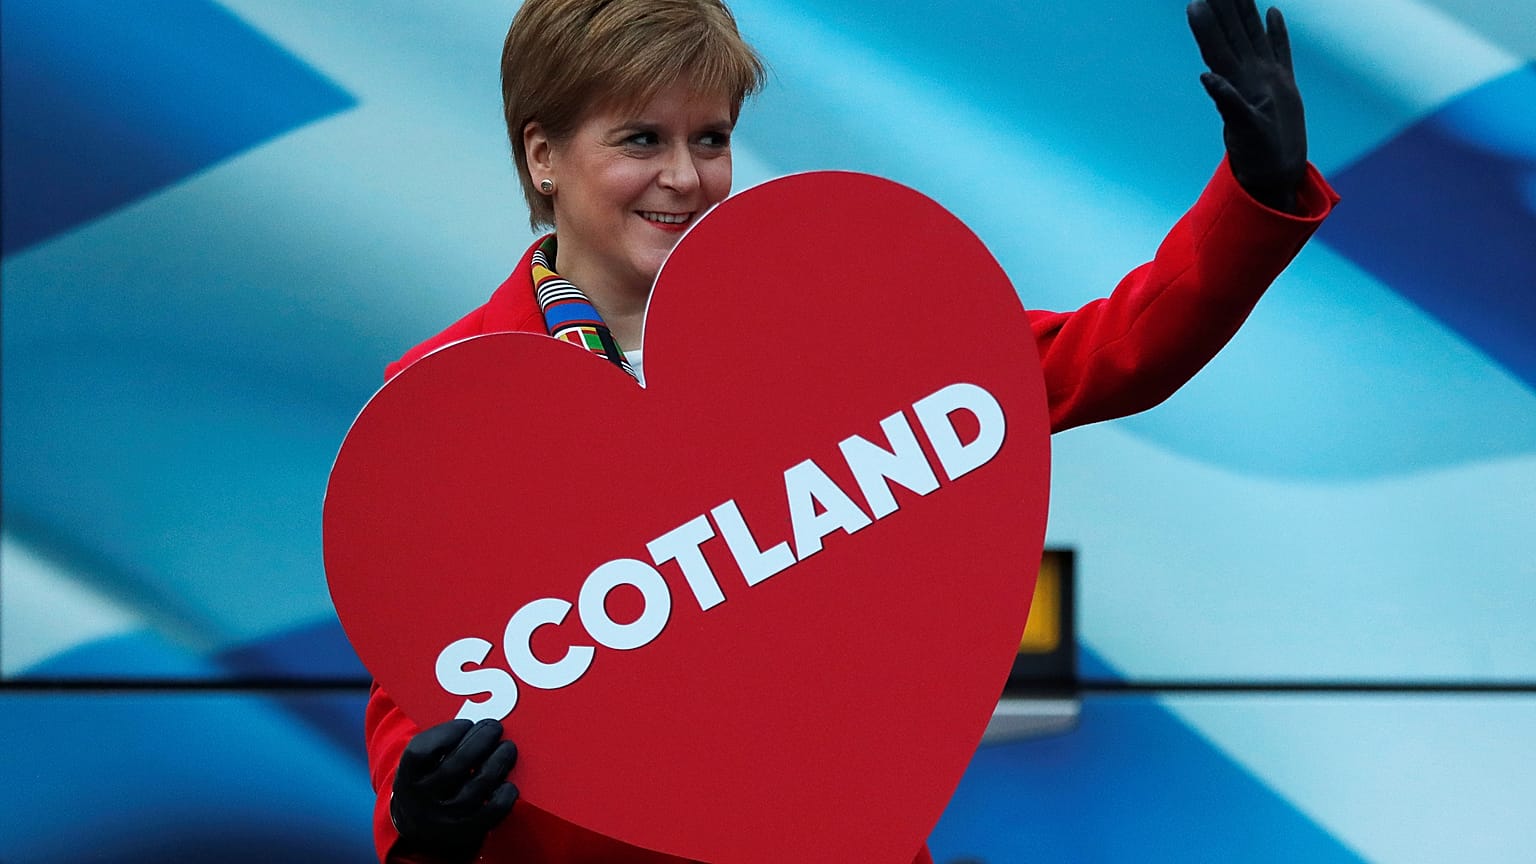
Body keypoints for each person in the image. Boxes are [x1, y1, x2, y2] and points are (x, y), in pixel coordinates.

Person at [363, 0, 1339, 860]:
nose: (686, 176)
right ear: (543, 155)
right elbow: (423, 680)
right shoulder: (446, 400)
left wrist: (1252, 192)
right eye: (639, 140)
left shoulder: (814, 330)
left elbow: (1101, 354)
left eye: (710, 138)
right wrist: (424, 816)